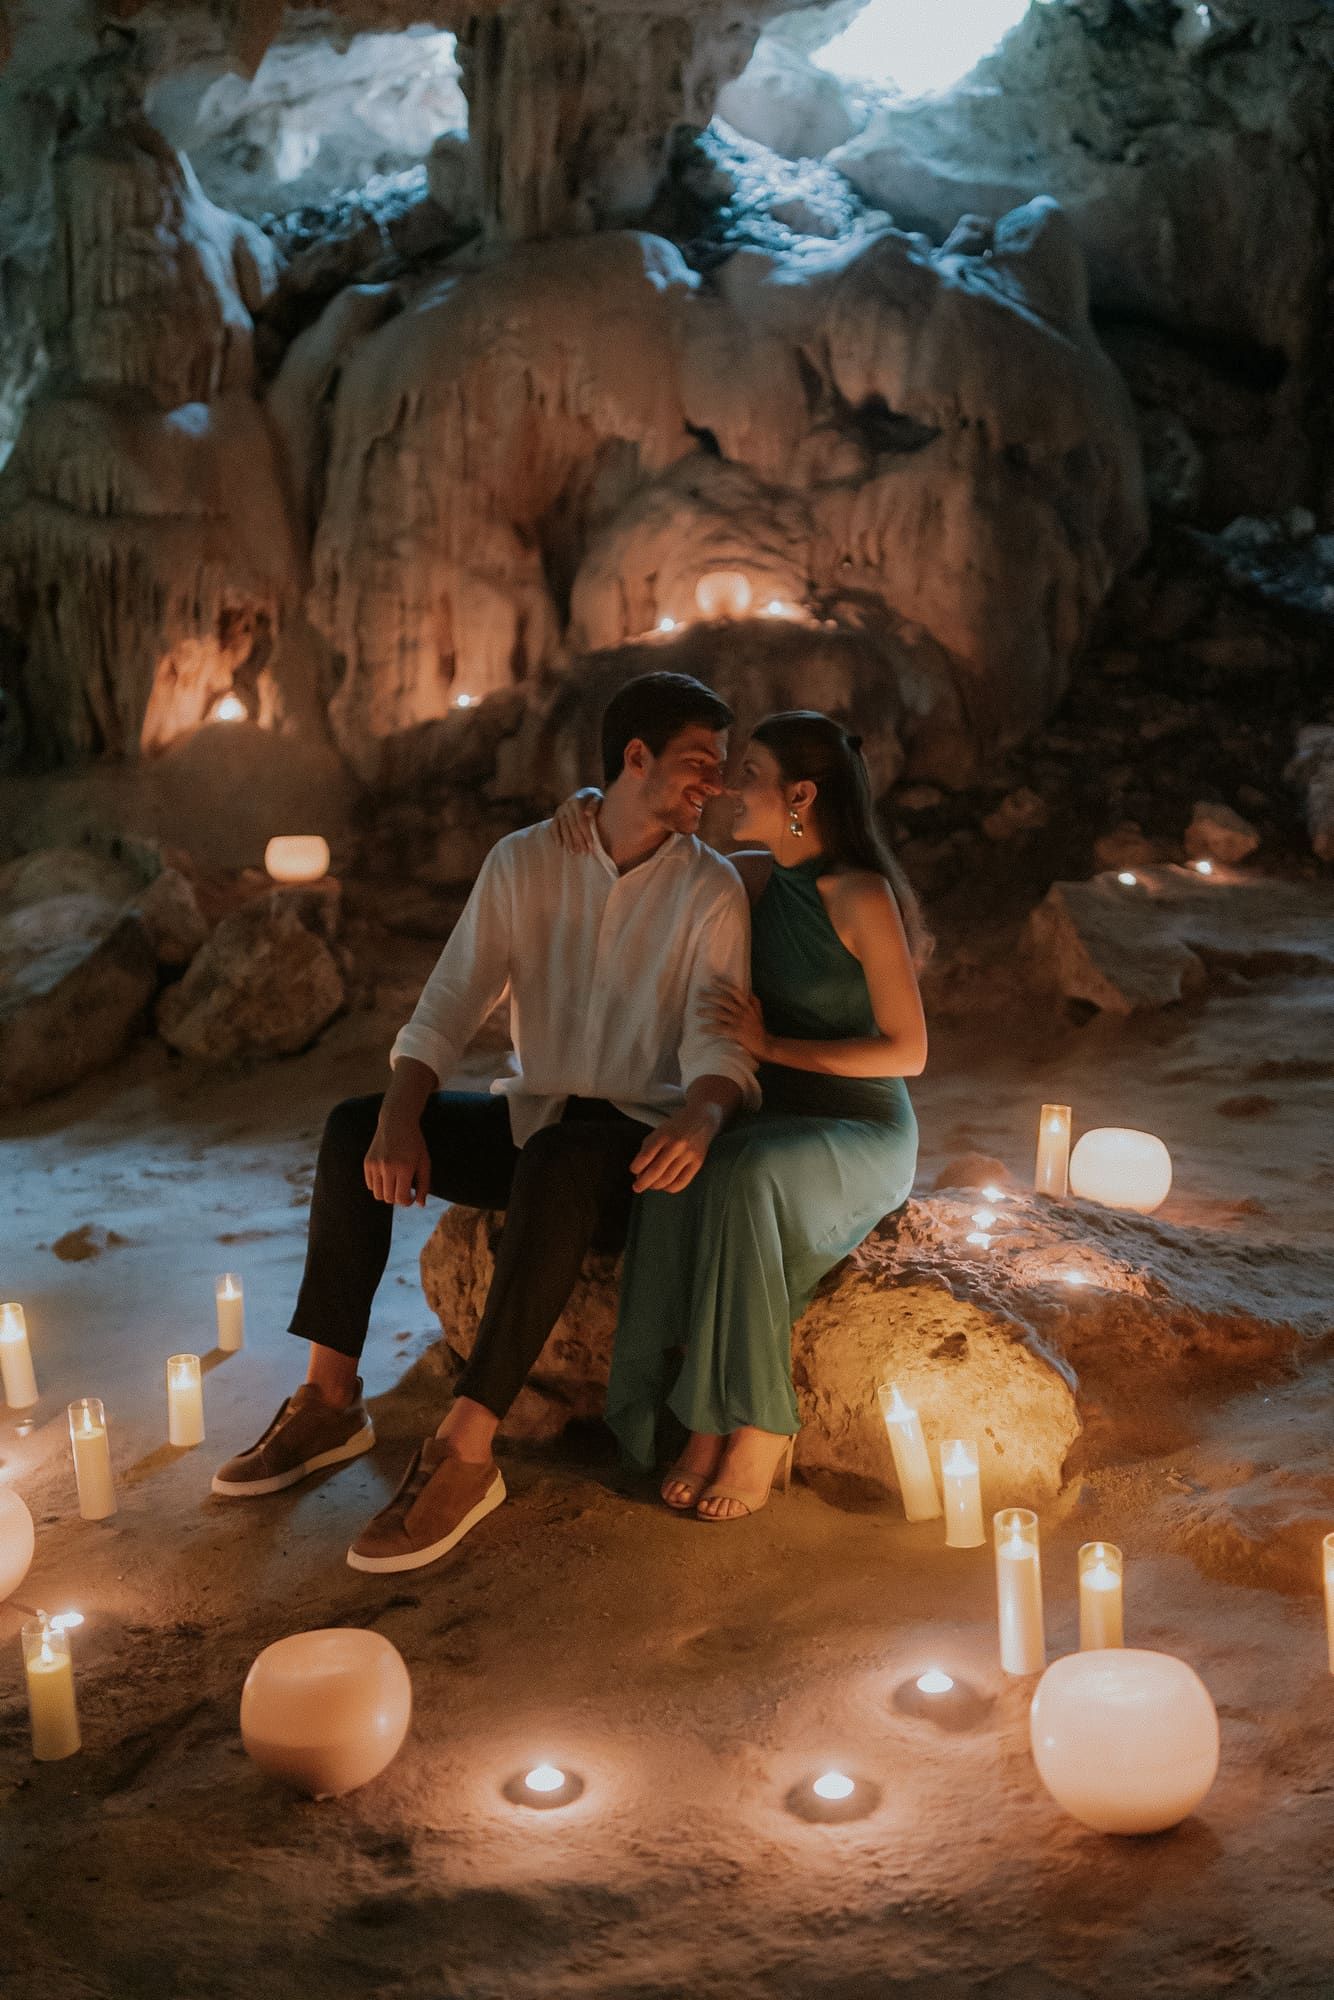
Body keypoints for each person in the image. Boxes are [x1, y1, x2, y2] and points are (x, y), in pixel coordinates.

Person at [211, 671, 760, 1572]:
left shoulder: (710, 889)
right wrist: (401, 1113)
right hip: (538, 1117)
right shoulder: (526, 859)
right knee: (355, 1128)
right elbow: (452, 998)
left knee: (561, 1158)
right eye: (700, 763)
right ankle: (330, 1400)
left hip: (638, 1147)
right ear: (635, 759)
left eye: (723, 767)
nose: (717, 783)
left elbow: (716, 1036)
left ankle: (465, 1449)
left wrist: (703, 1117)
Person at [552, 710, 927, 1519]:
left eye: (747, 774)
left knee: (748, 1174)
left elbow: (908, 1052)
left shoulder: (859, 895)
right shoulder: (751, 877)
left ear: (800, 794)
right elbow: (653, 859)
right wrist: (587, 805)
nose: (726, 787)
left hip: (860, 1127)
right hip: (773, 1112)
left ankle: (755, 1423)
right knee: (681, 1170)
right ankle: (694, 1418)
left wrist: (773, 1044)